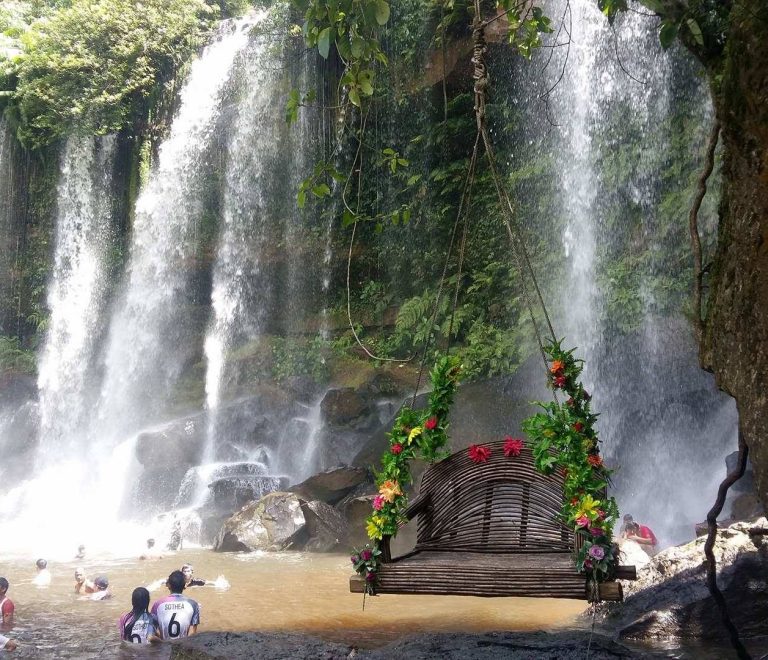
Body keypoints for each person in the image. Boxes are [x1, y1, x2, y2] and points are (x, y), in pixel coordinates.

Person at [150, 571, 200, 640]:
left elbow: (153, 630)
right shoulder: (193, 604)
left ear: (168, 585)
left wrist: (164, 642)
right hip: (183, 646)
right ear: (185, 585)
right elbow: (192, 633)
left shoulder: (158, 604)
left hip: (164, 646)